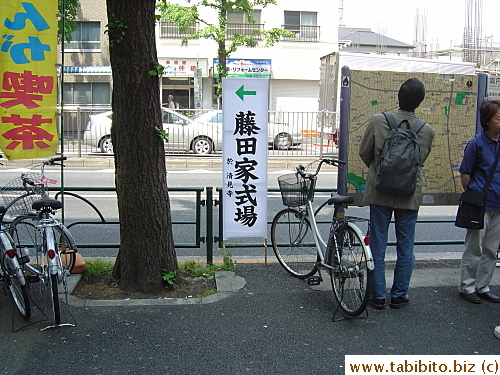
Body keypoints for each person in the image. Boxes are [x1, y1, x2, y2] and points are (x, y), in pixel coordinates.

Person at [358, 77, 436, 310]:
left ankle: (378, 296)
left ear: (398, 97)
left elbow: (365, 153)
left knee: (378, 245)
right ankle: (400, 295)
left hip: (380, 191)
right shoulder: (427, 131)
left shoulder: (377, 121)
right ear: (420, 102)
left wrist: (381, 170)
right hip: (409, 194)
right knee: (406, 247)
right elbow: (419, 161)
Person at [458, 100, 500, 305]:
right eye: (498, 118)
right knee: (475, 247)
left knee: (492, 248)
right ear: (487, 121)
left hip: (499, 205)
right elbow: (465, 174)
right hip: (481, 204)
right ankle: (467, 286)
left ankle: (483, 286)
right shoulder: (477, 144)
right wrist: (475, 197)